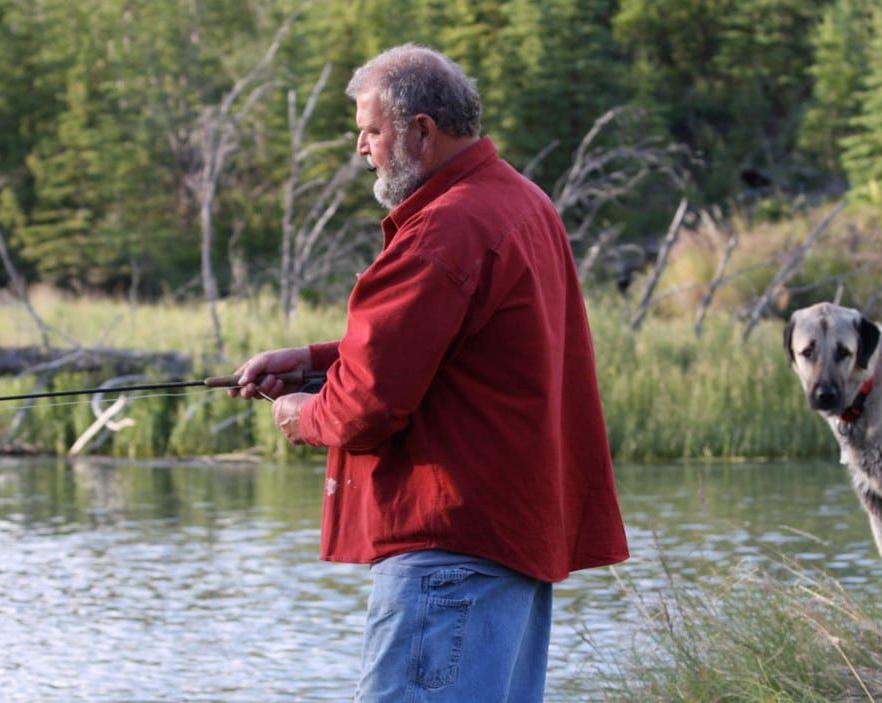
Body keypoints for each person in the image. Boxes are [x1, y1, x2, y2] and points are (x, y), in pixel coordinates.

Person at [229, 44, 629, 702]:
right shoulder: (521, 204)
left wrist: (304, 416)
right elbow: (441, 343)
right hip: (507, 550)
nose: (361, 147)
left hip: (449, 553)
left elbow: (368, 403)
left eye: (371, 131)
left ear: (422, 131)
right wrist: (312, 361)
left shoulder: (445, 228)